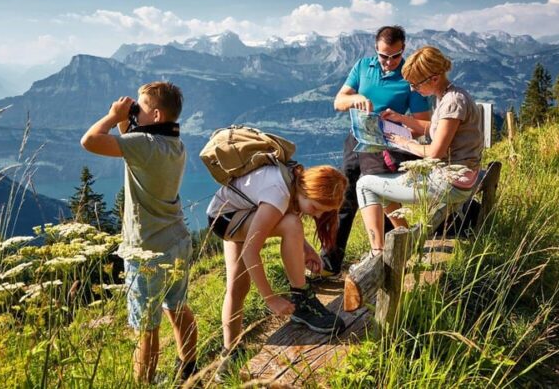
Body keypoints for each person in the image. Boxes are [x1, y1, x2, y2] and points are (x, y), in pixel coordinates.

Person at [80, 81, 198, 385]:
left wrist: (112, 114)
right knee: (178, 308)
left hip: (146, 249)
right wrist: (128, 118)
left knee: (145, 327)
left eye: (140, 109)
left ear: (156, 116)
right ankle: (189, 370)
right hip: (178, 241)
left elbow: (90, 141)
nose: (134, 112)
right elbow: (130, 140)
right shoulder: (175, 145)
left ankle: (144, 384)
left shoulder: (144, 146)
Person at [206, 163, 348, 374]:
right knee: (291, 223)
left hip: (235, 211)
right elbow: (250, 251)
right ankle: (302, 300)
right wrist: (270, 299)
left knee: (238, 286)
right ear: (307, 190)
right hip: (226, 219)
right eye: (316, 208)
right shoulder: (279, 193)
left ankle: (229, 353)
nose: (317, 216)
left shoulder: (294, 179)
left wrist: (305, 248)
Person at [324, 26, 431, 277]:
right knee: (344, 196)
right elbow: (339, 101)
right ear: (375, 50)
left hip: (387, 145)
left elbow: (423, 125)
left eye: (395, 56)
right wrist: (355, 99)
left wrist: (397, 121)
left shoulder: (409, 77)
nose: (389, 62)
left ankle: (390, 258)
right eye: (384, 56)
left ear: (403, 49)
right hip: (357, 138)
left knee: (383, 198)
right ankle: (330, 264)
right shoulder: (363, 66)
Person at [358, 46, 484, 251]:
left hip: (451, 182)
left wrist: (404, 142)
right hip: (462, 176)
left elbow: (436, 152)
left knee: (364, 184)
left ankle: (378, 252)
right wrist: (401, 119)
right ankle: (406, 242)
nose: (413, 89)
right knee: (380, 182)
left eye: (415, 84)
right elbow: (437, 129)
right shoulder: (448, 95)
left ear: (433, 79)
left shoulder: (452, 102)